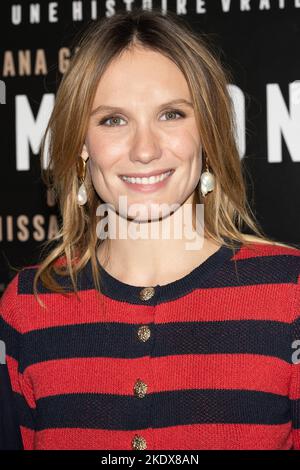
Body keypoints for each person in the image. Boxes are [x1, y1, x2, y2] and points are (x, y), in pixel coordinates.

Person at [0, 8, 299, 450]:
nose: (144, 150)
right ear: (82, 146)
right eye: (113, 120)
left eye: (171, 114)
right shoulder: (29, 307)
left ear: (209, 134)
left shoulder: (289, 292)